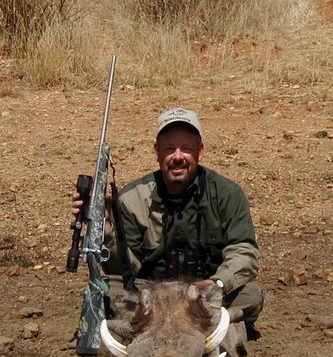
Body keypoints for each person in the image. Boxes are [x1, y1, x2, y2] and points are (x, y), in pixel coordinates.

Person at [72, 107, 263, 334]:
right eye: (170, 149)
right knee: (108, 291)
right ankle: (204, 326)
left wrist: (217, 283)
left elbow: (245, 253)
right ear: (157, 152)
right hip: (149, 296)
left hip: (204, 295)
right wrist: (105, 230)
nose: (178, 157)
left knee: (251, 295)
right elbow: (123, 268)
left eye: (187, 149)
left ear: (200, 151)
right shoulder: (132, 198)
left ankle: (152, 327)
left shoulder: (227, 193)